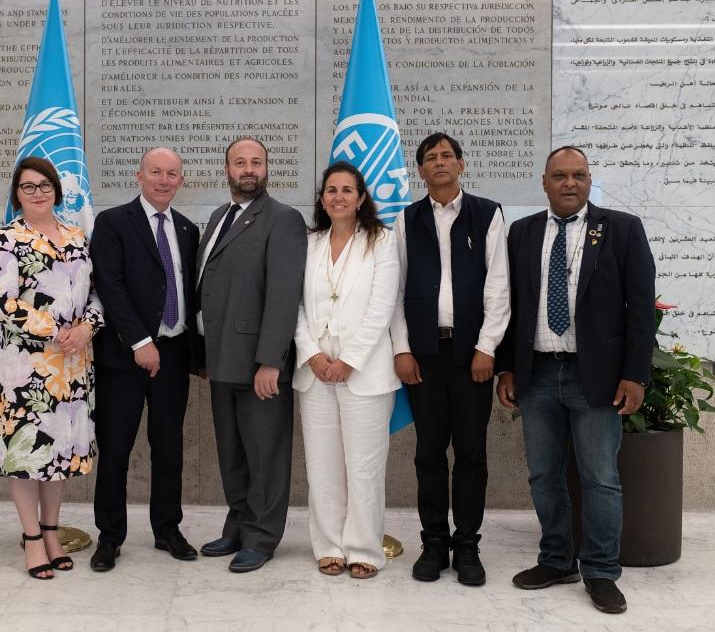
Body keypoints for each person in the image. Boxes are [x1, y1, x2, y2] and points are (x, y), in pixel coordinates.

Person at [496, 146, 655, 614]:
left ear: (589, 182)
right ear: (544, 182)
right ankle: (556, 559)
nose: (569, 183)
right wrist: (508, 366)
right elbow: (510, 308)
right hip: (539, 372)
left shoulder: (622, 229)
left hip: (597, 377)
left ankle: (602, 571)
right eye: (559, 176)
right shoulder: (522, 233)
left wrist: (634, 375)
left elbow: (641, 309)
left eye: (578, 176)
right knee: (544, 474)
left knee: (600, 478)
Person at [388, 131, 510, 586]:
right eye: (430, 158)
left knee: (472, 453)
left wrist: (486, 347)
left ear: (461, 163)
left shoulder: (487, 215)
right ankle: (434, 543)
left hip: (471, 356)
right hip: (424, 356)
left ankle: (468, 546)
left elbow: (499, 286)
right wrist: (401, 349)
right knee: (428, 454)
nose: (439, 163)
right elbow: (395, 292)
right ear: (420, 171)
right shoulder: (407, 220)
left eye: (446, 156)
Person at [0, 156, 104, 580]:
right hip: (24, 369)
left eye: (44, 185)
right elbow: (2, 303)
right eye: (28, 186)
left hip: (72, 365)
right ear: (17, 193)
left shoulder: (77, 237)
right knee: (27, 451)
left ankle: (52, 531)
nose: (37, 192)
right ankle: (32, 538)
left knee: (60, 452)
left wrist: (87, 326)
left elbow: (95, 294)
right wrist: (57, 329)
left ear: (56, 190)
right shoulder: (5, 240)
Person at [196, 136, 307, 573]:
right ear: (226, 169)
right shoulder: (219, 216)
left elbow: (283, 295)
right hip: (220, 359)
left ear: (267, 168)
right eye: (240, 162)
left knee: (265, 454)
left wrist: (271, 361)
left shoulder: (283, 219)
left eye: (256, 162)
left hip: (259, 363)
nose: (248, 169)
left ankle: (262, 536)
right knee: (232, 451)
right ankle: (238, 523)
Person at [88, 147, 201, 572]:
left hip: (173, 355)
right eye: (156, 171)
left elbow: (191, 293)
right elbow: (110, 285)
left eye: (172, 173)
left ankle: (167, 529)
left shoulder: (188, 229)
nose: (164, 180)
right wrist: (139, 341)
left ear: (181, 180)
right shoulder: (114, 222)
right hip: (124, 356)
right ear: (139, 175)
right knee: (116, 448)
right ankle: (110, 536)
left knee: (168, 447)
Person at [293, 161, 401, 580]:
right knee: (322, 466)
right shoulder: (309, 242)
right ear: (322, 198)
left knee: (364, 467)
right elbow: (295, 305)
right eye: (331, 190)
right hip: (314, 370)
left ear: (361, 198)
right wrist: (313, 355)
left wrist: (349, 360)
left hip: (365, 371)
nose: (338, 197)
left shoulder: (382, 242)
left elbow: (382, 306)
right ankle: (329, 546)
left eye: (347, 190)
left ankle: (363, 549)